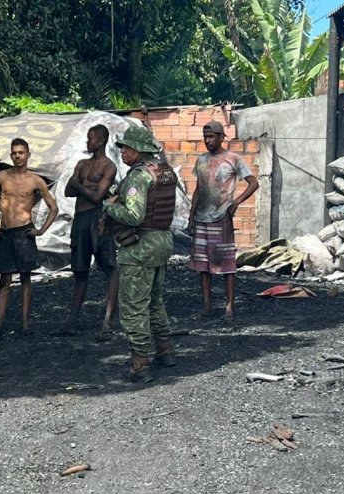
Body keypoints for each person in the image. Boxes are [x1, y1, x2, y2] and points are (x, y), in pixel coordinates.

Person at [103, 127, 177, 383]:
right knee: (155, 301)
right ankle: (165, 352)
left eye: (126, 147)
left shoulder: (138, 177)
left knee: (134, 305)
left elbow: (134, 215)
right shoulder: (164, 171)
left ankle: (139, 364)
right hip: (162, 241)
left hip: (140, 246)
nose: (122, 151)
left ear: (139, 149)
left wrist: (109, 208)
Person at [0, 138, 58, 336]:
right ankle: (0, 323)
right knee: (5, 279)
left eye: (21, 153)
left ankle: (25, 323)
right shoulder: (1, 177)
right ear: (10, 155)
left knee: (26, 278)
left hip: (24, 232)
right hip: (6, 233)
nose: (17, 156)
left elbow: (54, 208)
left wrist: (41, 231)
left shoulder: (35, 180)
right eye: (14, 153)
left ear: (28, 155)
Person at [187, 121, 258, 321]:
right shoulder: (201, 160)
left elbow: (254, 183)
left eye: (211, 137)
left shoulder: (233, 159)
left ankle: (229, 306)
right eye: (205, 137)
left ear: (221, 137)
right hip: (202, 218)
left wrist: (236, 203)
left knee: (227, 264)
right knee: (202, 265)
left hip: (221, 217)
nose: (207, 141)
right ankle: (207, 305)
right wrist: (191, 216)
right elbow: (198, 189)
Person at [61, 125, 119, 340]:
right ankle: (71, 321)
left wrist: (78, 184)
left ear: (101, 140)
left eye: (92, 139)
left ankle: (108, 320)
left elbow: (98, 197)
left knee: (109, 266)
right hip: (81, 219)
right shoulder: (82, 164)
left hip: (98, 217)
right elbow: (68, 190)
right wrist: (81, 186)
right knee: (79, 269)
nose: (88, 142)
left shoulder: (109, 167)